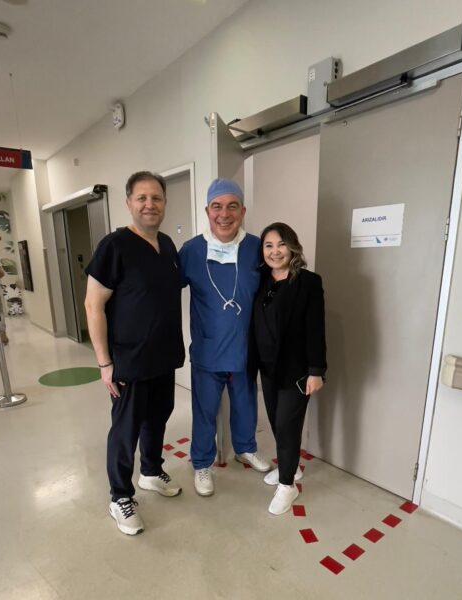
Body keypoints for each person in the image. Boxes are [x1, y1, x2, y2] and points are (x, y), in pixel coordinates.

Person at [84, 171, 184, 536]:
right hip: (129, 359)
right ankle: (120, 496)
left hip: (163, 356)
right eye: (141, 197)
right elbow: (93, 305)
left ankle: (151, 471)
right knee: (125, 431)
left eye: (156, 198)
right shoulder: (114, 246)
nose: (149, 204)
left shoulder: (167, 246)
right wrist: (104, 363)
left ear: (164, 203)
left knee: (158, 418)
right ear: (128, 202)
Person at [179, 178, 271, 497]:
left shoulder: (257, 248)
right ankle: (202, 463)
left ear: (242, 211)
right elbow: (162, 291)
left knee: (246, 404)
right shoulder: (191, 250)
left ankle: (245, 448)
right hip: (208, 349)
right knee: (204, 410)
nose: (224, 214)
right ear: (207, 211)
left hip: (245, 349)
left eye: (232, 206)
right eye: (217, 206)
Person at [250, 222, 326, 515]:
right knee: (275, 420)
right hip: (268, 367)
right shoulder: (260, 279)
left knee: (286, 425)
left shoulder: (308, 282)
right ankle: (291, 468)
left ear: (292, 247)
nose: (275, 251)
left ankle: (287, 485)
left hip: (297, 370)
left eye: (281, 244)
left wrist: (316, 371)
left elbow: (316, 329)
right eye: (268, 245)